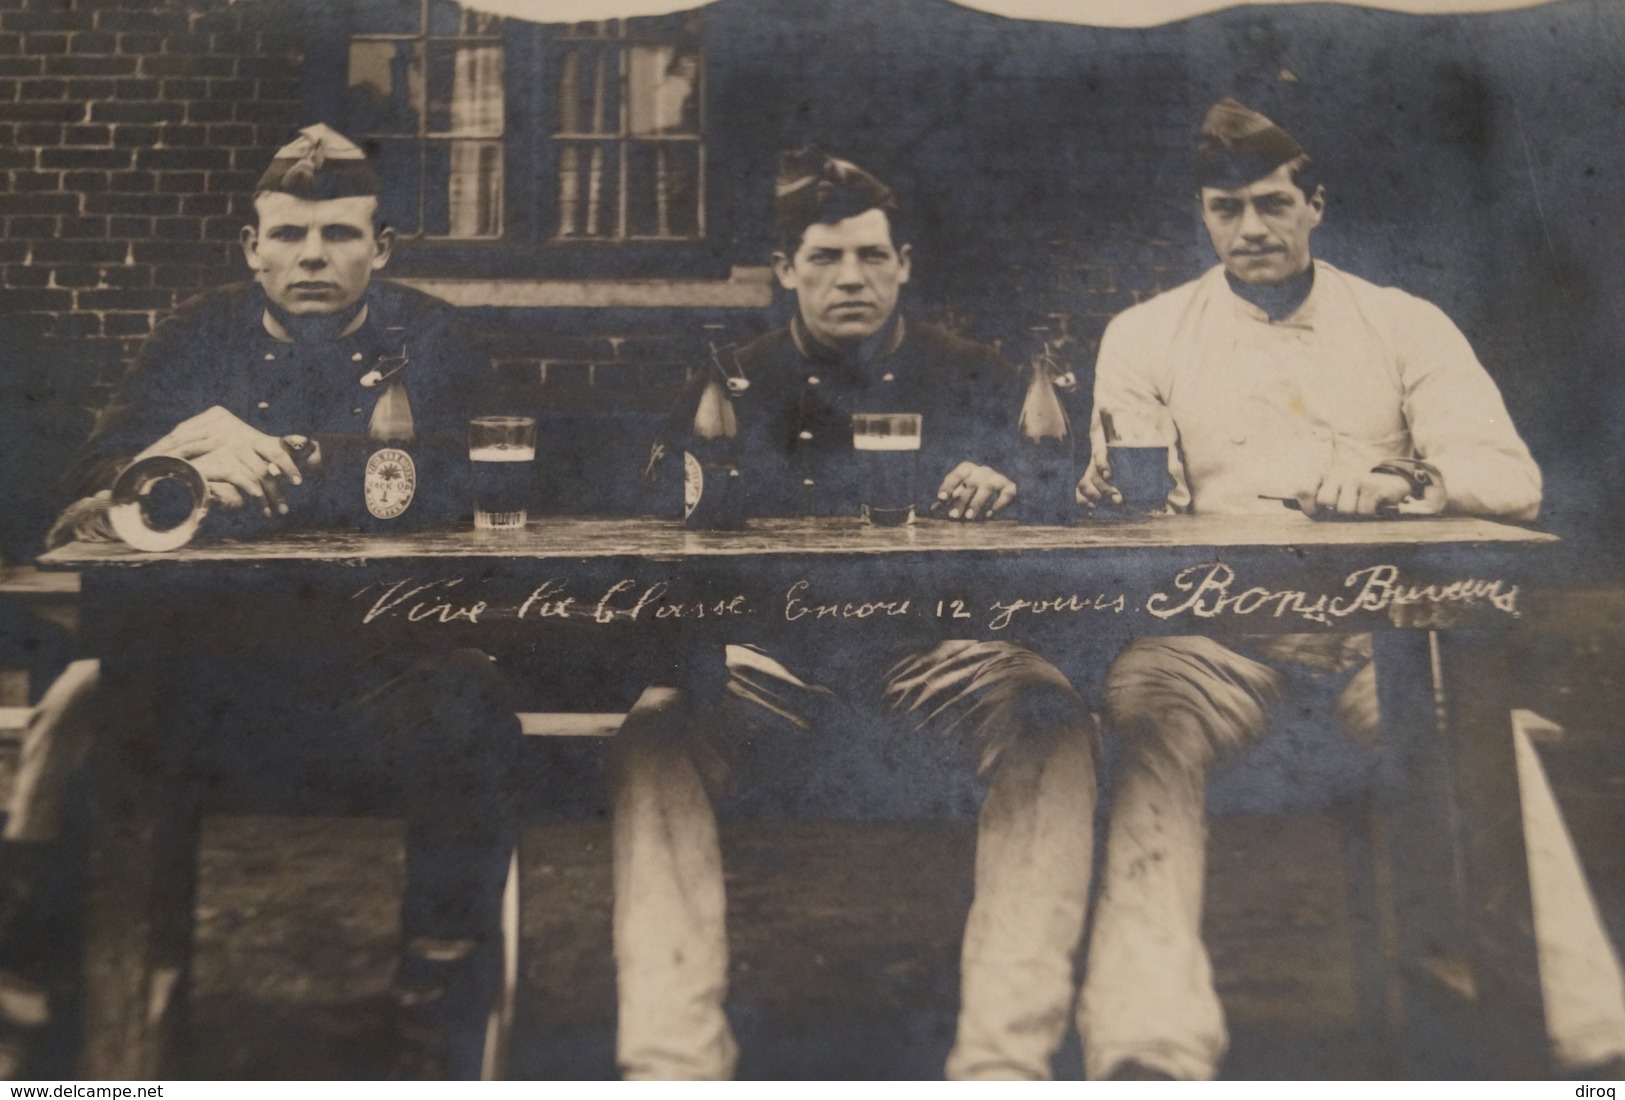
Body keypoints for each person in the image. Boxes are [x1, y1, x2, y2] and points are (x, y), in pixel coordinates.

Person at [1075, 98, 1625, 1080]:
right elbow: (1127, 505)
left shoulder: (1400, 321)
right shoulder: (1146, 334)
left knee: (1474, 726)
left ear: (1315, 204)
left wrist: (1401, 486)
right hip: (1215, 644)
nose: (1250, 229)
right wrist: (1114, 498)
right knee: (1144, 718)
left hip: (1383, 641)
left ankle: (1591, 1036)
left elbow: (1511, 477)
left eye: (1272, 203)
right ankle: (1145, 1045)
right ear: (1202, 216)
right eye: (1225, 208)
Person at [6, 125, 523, 1080]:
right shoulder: (194, 336)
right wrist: (176, 459)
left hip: (379, 682)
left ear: (382, 247)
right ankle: (64, 1031)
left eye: (337, 233)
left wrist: (292, 463)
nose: (312, 256)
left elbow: (463, 486)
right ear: (252, 246)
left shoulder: (436, 336)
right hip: (206, 683)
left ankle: (434, 1034)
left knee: (470, 704)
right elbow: (80, 497)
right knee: (79, 710)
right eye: (286, 235)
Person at [614, 148, 1098, 1080]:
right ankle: (670, 1061)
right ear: (786, 268)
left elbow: (1061, 485)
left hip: (937, 667)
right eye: (827, 259)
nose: (851, 279)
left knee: (1051, 713)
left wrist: (1014, 482)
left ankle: (1005, 1060)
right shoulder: (731, 383)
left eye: (872, 258)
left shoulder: (977, 374)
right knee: (653, 734)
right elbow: (650, 515)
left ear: (904, 264)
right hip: (768, 670)